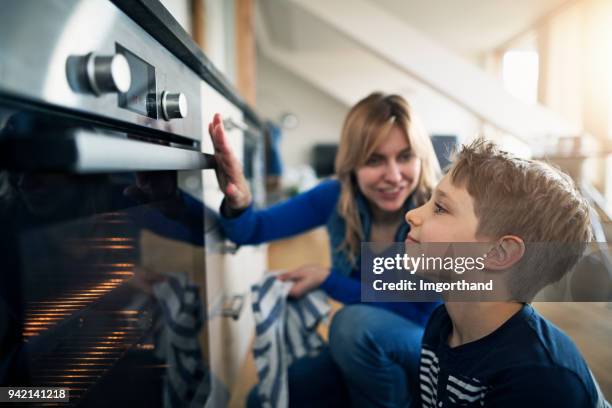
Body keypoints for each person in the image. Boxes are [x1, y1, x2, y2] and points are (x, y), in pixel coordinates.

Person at [208, 92, 441, 407]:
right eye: (375, 160)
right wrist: (239, 199)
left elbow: (417, 311)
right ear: (353, 163)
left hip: (427, 350)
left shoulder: (436, 212)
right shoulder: (335, 197)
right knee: (261, 401)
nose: (394, 175)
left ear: (421, 157)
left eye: (404, 156)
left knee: (350, 325)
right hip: (367, 346)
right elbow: (254, 229)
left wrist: (328, 280)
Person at [404, 139, 610, 407]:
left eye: (440, 208)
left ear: (499, 253)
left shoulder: (539, 379)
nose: (412, 214)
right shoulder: (442, 325)